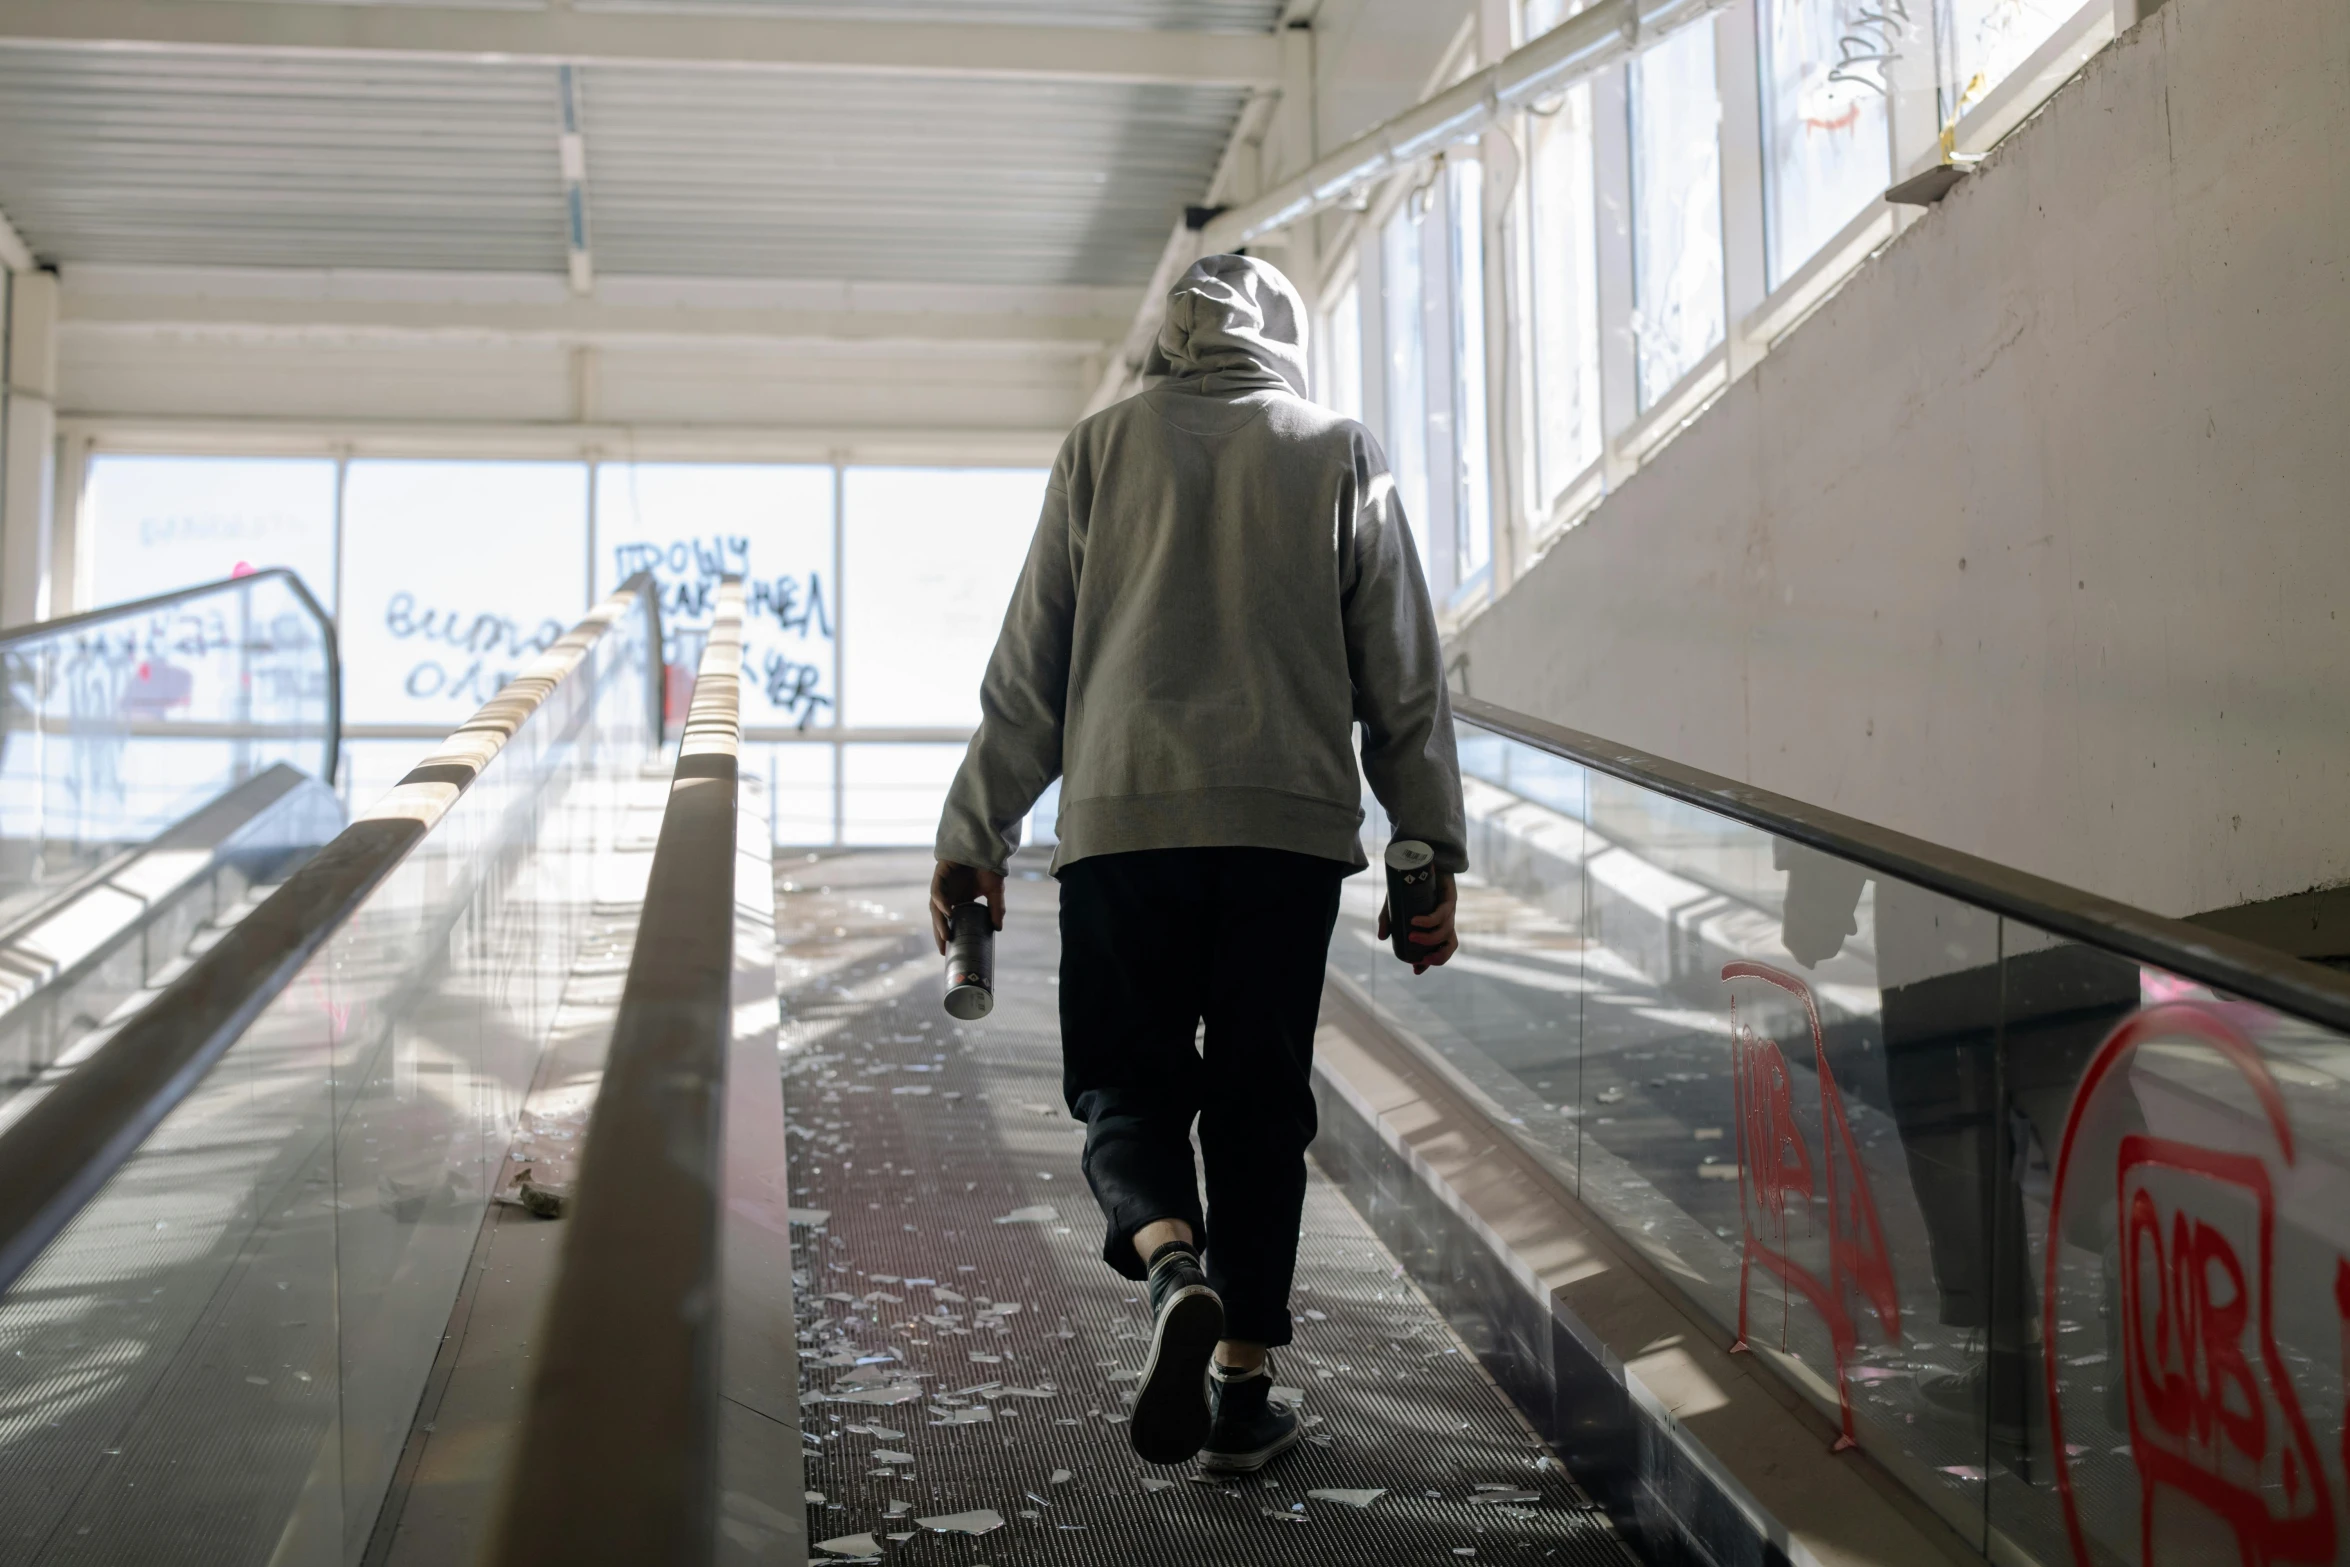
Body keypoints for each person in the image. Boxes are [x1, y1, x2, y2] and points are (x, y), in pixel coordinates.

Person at [929, 253, 1467, 1472]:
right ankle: (1239, 1391)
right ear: (1285, 333)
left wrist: (976, 834)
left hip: (1123, 823)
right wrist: (1423, 852)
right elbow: (1403, 677)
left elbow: (1030, 677)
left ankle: (1172, 1262)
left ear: (1169, 336)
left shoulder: (1100, 448)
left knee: (1126, 1079)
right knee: (1258, 1101)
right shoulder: (1337, 447)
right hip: (1284, 831)